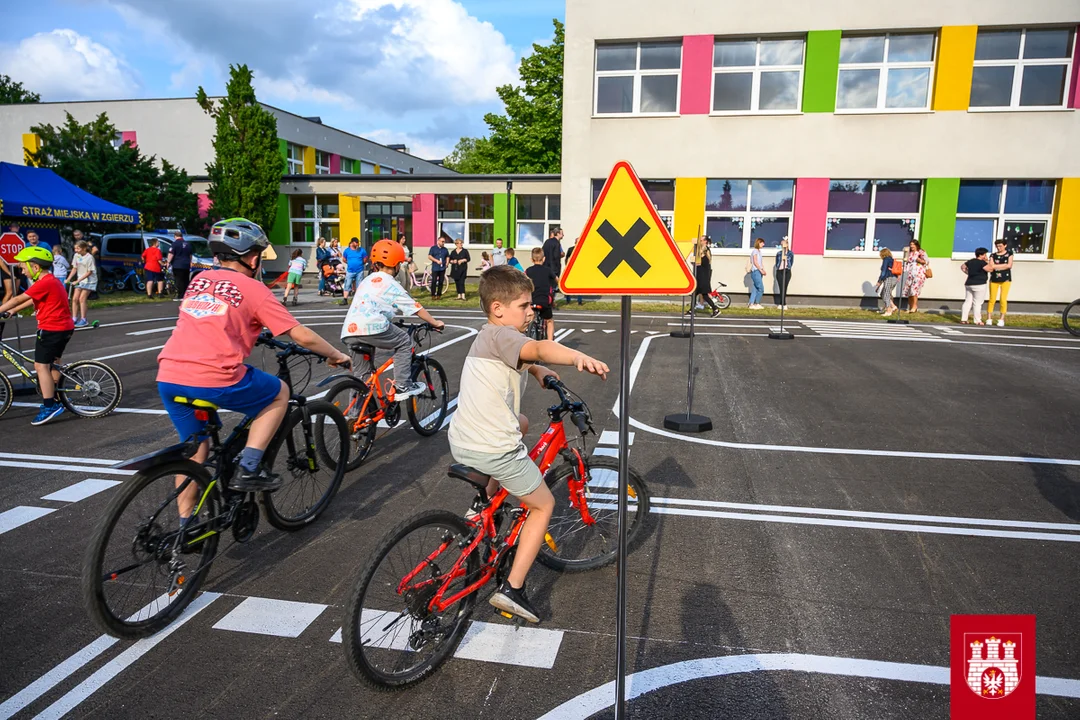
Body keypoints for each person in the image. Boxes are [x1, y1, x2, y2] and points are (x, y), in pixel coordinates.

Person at [447, 265, 609, 623]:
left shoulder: (490, 335)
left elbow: (524, 356)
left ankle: (481, 508)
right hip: (492, 448)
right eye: (523, 305)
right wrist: (575, 357)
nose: (531, 310)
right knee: (543, 505)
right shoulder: (508, 337)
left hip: (463, 439)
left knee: (520, 422)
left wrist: (537, 371)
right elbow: (537, 347)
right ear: (498, 309)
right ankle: (513, 589)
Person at [157, 218, 351, 502]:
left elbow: (210, 319)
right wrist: (336, 355)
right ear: (253, 257)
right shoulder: (253, 289)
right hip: (213, 377)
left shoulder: (199, 281)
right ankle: (248, 468)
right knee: (278, 393)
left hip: (169, 376)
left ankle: (185, 528)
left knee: (195, 453)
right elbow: (301, 336)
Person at [340, 239, 445, 398]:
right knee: (403, 341)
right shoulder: (390, 283)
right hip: (372, 327)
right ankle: (403, 385)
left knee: (362, 378)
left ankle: (355, 418)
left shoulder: (367, 280)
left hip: (349, 331)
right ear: (396, 264)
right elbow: (415, 307)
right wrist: (435, 322)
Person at [0, 247, 75, 425]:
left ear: (35, 267)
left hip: (51, 329)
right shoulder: (51, 281)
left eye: (23, 267)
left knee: (40, 366)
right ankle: (59, 397)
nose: (21, 270)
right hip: (63, 328)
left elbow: (18, 298)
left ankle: (49, 406)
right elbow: (33, 300)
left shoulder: (44, 282)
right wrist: (12, 311)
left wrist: (4, 308)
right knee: (53, 363)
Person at [525, 248, 556, 340]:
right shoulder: (548, 270)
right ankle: (550, 343)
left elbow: (522, 281)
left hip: (531, 300)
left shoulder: (528, 271)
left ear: (531, 259)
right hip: (544, 301)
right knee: (549, 321)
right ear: (544, 259)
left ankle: (529, 331)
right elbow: (557, 279)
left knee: (530, 317)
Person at [960, 247, 994, 325]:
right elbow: (990, 269)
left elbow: (962, 267)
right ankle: (977, 320)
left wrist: (968, 273)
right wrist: (988, 262)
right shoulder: (982, 263)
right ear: (982, 255)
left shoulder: (971, 261)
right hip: (980, 284)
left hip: (969, 283)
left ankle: (963, 319)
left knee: (968, 301)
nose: (986, 256)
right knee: (977, 302)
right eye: (985, 254)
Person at [68, 240, 97, 327]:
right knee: (74, 299)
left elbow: (89, 272)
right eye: (75, 248)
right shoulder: (76, 256)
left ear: (84, 248)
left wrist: (78, 280)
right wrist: (68, 278)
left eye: (78, 248)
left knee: (82, 299)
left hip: (89, 280)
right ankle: (74, 319)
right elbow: (74, 268)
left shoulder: (89, 257)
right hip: (80, 280)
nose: (76, 250)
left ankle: (84, 319)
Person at [690, 236, 721, 317]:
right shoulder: (703, 255)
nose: (699, 242)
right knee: (696, 293)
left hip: (703, 278)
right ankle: (691, 310)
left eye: (701, 240)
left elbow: (698, 263)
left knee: (704, 295)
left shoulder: (705, 256)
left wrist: (693, 261)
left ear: (705, 241)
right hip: (700, 277)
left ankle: (715, 309)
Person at [987, 239, 1014, 327]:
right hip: (994, 279)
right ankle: (989, 318)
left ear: (1005, 245)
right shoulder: (993, 255)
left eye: (1000, 246)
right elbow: (991, 266)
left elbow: (1009, 265)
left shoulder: (1009, 254)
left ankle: (1001, 319)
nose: (999, 248)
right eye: (997, 246)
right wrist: (1003, 265)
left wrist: (997, 266)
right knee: (992, 299)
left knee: (1003, 299)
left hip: (1005, 279)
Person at [902, 239, 930, 313]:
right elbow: (906, 261)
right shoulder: (910, 253)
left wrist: (920, 260)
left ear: (916, 245)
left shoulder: (921, 252)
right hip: (911, 273)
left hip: (919, 273)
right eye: (910, 245)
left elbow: (927, 261)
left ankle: (914, 307)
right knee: (909, 290)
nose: (911, 246)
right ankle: (911, 306)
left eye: (913, 245)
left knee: (914, 290)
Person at [166, 231, 193, 301]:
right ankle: (186, 295)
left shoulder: (174, 244)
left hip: (178, 264)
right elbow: (190, 255)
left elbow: (171, 254)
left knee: (179, 280)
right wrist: (190, 262)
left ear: (175, 236)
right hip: (186, 264)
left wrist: (168, 262)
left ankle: (180, 296)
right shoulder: (188, 244)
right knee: (186, 280)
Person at [341, 237, 368, 305]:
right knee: (347, 284)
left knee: (359, 285)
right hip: (350, 271)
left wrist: (360, 263)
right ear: (352, 243)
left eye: (358, 243)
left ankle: (357, 300)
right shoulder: (347, 251)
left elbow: (365, 259)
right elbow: (344, 259)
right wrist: (350, 263)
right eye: (356, 243)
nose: (357, 244)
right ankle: (345, 299)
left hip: (359, 271)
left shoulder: (362, 250)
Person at [875, 248, 901, 317]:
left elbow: (884, 272)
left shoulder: (886, 259)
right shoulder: (892, 260)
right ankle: (893, 306)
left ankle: (888, 310)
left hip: (889, 278)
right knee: (884, 293)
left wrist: (879, 281)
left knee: (886, 294)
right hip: (894, 279)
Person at [542, 228, 565, 305]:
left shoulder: (547, 242)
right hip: (554, 267)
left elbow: (543, 253)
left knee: (547, 286)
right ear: (557, 234)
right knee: (553, 287)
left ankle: (546, 300)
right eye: (562, 233)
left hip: (545, 266)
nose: (563, 235)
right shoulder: (557, 243)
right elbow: (556, 256)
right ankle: (551, 301)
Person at [427, 234, 450, 300]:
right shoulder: (433, 248)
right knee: (434, 281)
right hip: (435, 267)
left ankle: (439, 294)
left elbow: (447, 256)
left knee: (441, 281)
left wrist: (447, 263)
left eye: (444, 242)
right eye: (442, 241)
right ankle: (433, 294)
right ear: (438, 241)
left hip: (442, 268)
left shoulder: (445, 249)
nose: (443, 243)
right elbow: (429, 256)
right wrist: (436, 260)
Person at [774, 237, 794, 309]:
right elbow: (776, 263)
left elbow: (791, 263)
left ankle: (784, 304)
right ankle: (781, 303)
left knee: (784, 287)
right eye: (782, 245)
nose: (783, 246)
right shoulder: (779, 253)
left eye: (784, 244)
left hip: (787, 271)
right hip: (780, 271)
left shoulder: (790, 253)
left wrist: (787, 265)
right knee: (781, 287)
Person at [747, 238, 767, 309]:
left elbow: (761, 262)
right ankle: (757, 303)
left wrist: (763, 270)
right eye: (762, 243)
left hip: (759, 271)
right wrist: (760, 270)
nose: (763, 244)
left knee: (755, 288)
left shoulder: (759, 252)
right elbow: (755, 262)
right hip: (756, 271)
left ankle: (751, 303)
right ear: (759, 243)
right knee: (761, 288)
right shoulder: (755, 251)